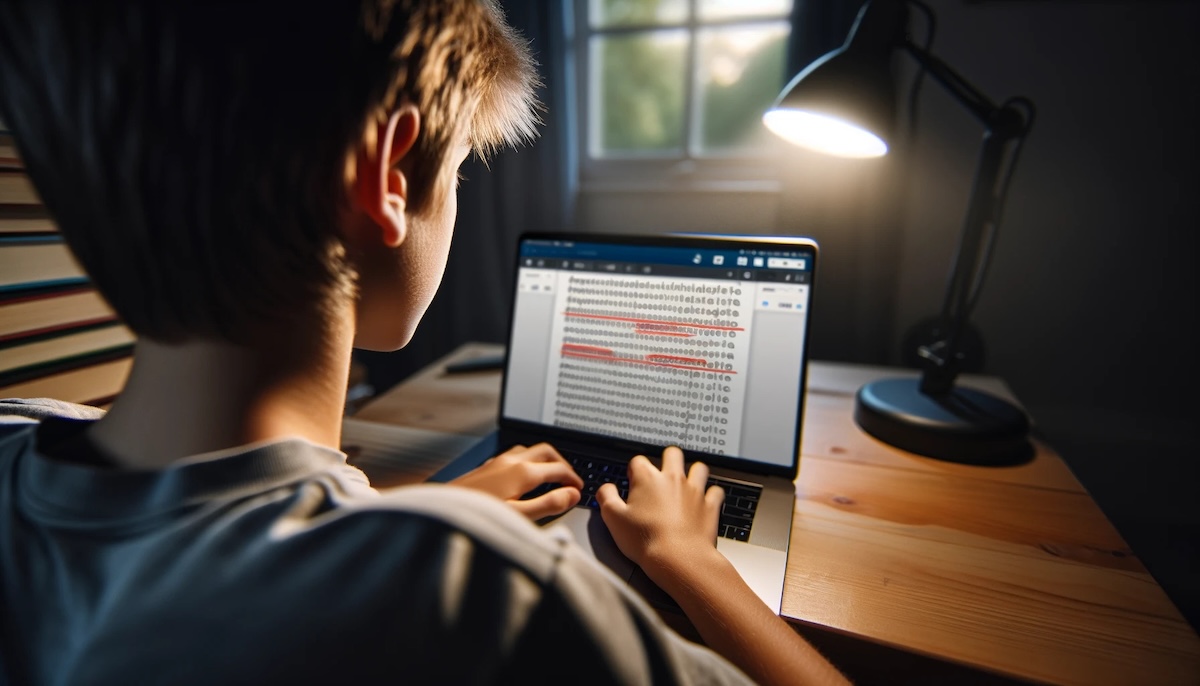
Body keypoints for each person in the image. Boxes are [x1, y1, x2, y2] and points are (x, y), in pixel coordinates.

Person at [0, 1, 848, 684]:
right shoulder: (485, 594)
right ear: (389, 178)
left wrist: (404, 515)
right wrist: (691, 562)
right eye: (458, 173)